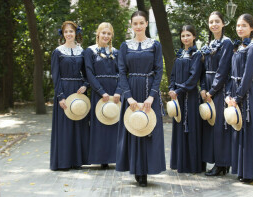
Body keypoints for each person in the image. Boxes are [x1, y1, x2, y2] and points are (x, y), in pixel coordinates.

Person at [116, 11, 166, 187]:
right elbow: (122, 72)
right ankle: (136, 169)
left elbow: (159, 71)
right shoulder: (124, 46)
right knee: (134, 129)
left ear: (146, 24)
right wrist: (128, 97)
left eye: (141, 23)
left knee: (148, 130)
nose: (138, 26)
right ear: (131, 25)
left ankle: (146, 170)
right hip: (131, 90)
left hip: (148, 89)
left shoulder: (155, 45)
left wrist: (152, 96)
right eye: (135, 23)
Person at [226, 13, 253, 182]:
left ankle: (252, 173)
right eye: (238, 25)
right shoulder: (238, 47)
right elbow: (232, 74)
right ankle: (243, 171)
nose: (240, 28)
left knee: (249, 132)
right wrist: (229, 95)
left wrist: (237, 97)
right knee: (239, 131)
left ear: (251, 28)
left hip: (248, 93)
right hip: (236, 92)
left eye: (243, 25)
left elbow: (247, 75)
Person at [50, 21, 90, 171]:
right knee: (65, 126)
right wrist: (60, 96)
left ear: (76, 33)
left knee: (78, 125)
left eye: (71, 32)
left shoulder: (82, 51)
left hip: (78, 92)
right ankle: (63, 162)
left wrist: (85, 85)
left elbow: (87, 73)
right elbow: (55, 76)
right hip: (64, 90)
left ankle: (77, 161)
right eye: (66, 32)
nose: (68, 34)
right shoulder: (58, 52)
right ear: (63, 34)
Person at [200, 11, 233, 176]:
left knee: (221, 128)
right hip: (209, 91)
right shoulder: (210, 43)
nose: (214, 24)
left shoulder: (227, 43)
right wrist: (203, 88)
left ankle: (221, 164)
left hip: (220, 89)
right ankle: (218, 162)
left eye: (217, 21)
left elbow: (222, 70)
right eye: (211, 21)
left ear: (223, 23)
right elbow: (206, 69)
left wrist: (212, 91)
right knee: (211, 127)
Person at [84, 22, 121, 169]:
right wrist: (101, 91)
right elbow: (89, 73)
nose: (106, 36)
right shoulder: (90, 51)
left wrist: (119, 91)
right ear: (98, 33)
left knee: (114, 122)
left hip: (115, 92)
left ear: (112, 36)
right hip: (99, 92)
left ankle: (116, 157)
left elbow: (122, 73)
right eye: (103, 33)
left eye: (109, 33)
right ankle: (102, 159)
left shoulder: (116, 52)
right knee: (100, 124)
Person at [168, 25, 203, 173]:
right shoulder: (180, 54)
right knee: (179, 125)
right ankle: (179, 162)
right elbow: (173, 75)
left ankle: (192, 164)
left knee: (191, 127)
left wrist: (179, 90)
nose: (185, 38)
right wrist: (171, 88)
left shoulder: (197, 55)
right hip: (178, 97)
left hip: (190, 96)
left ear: (194, 36)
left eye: (188, 35)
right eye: (183, 36)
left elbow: (194, 77)